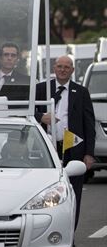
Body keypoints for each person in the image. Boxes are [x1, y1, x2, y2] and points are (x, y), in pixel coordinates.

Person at [35, 55, 95, 228]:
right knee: (45, 195)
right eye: (60, 66)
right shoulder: (41, 89)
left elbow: (89, 124)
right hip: (45, 151)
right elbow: (27, 112)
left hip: (73, 150)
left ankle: (70, 234)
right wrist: (41, 117)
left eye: (67, 67)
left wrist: (89, 154)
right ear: (54, 68)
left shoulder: (81, 92)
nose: (63, 69)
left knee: (73, 194)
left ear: (72, 70)